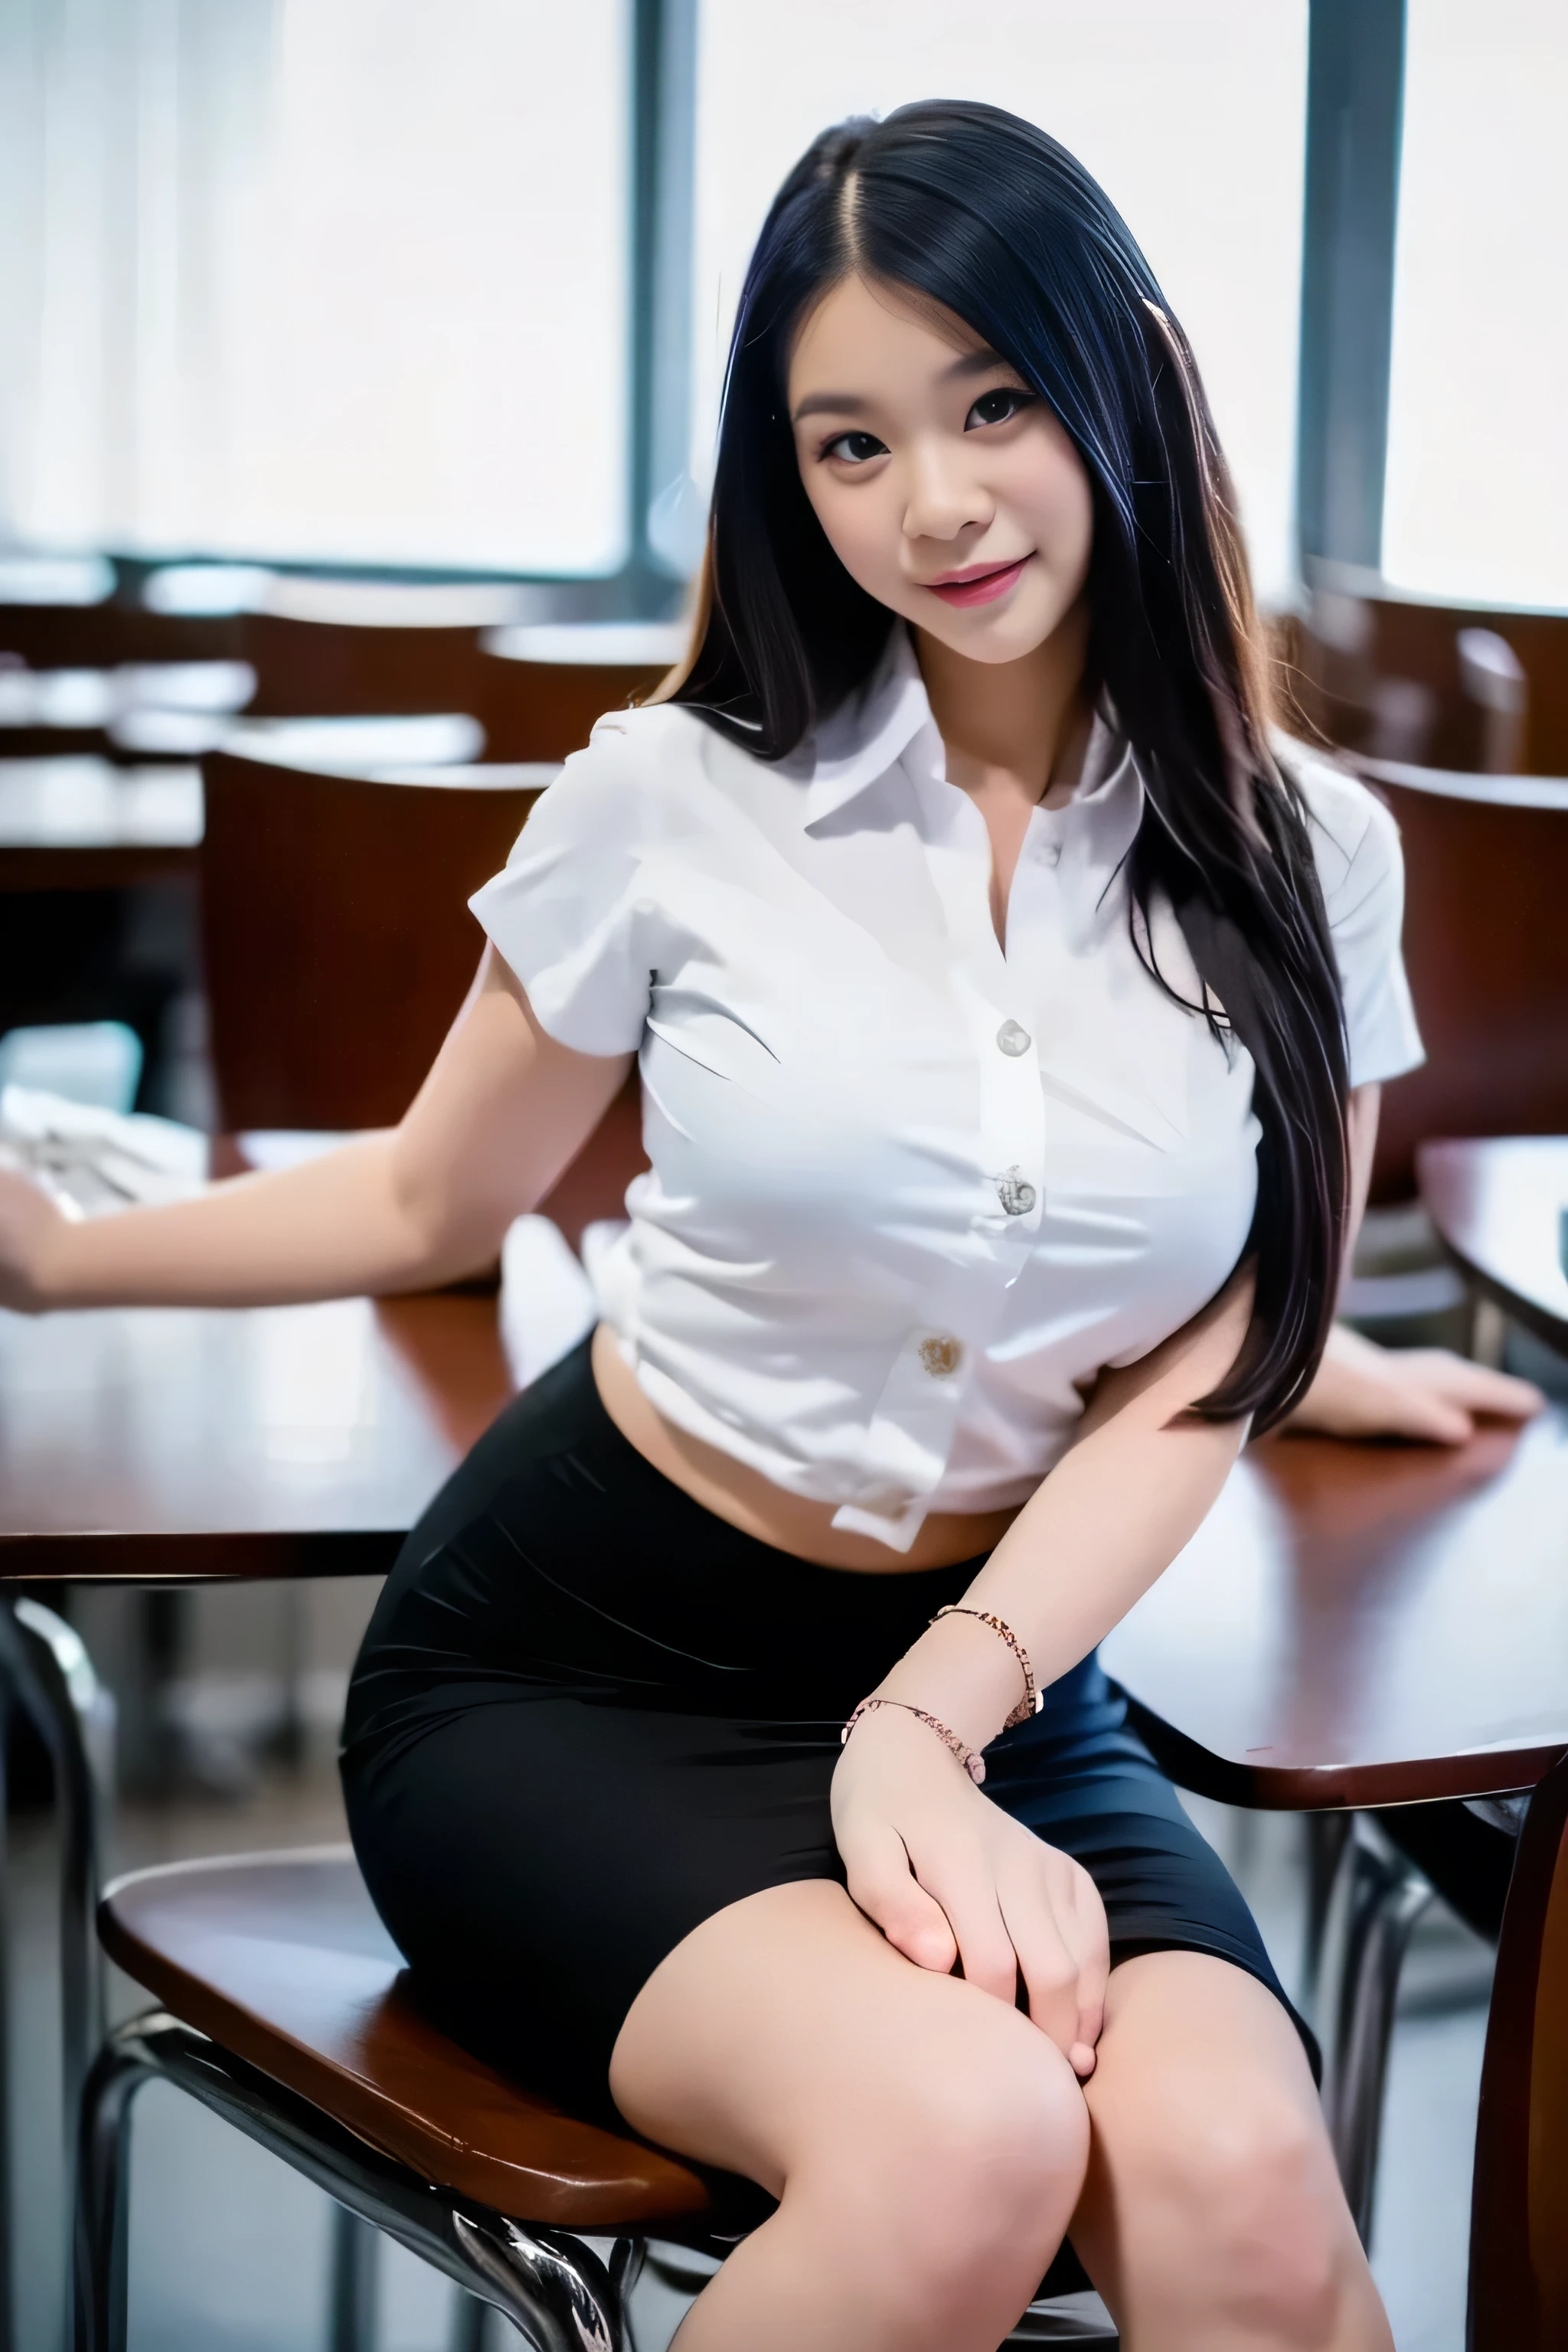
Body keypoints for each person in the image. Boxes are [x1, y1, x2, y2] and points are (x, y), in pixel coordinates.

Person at [0, 102, 1542, 2352]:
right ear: (786, 480)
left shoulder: (1319, 856)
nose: (934, 500)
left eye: (994, 402)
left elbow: (1222, 1338)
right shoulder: (670, 797)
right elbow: (435, 1192)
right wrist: (44, 1254)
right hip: (580, 1676)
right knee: (969, 2140)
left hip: (998, 1686)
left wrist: (970, 1681)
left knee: (1246, 2193)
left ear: (1119, 374)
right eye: (849, 441)